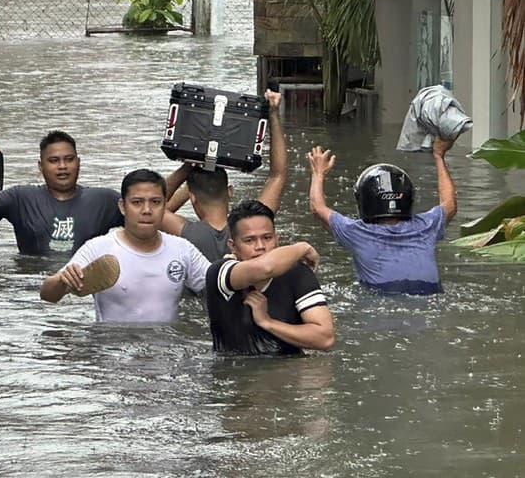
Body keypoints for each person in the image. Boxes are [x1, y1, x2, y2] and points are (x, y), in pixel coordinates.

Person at [40, 169, 210, 322]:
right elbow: (48, 295)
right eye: (137, 202)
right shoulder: (98, 248)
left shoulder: (182, 249)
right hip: (112, 351)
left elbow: (218, 285)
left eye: (155, 202)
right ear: (122, 207)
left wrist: (230, 266)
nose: (147, 210)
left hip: (166, 352)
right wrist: (61, 282)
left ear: (164, 205)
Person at [307, 138, 458, 295]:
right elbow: (450, 204)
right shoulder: (426, 227)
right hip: (429, 295)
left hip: (383, 299)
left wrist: (318, 174)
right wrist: (439, 156)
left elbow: (317, 209)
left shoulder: (357, 233)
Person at [0, 130, 122, 255]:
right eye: (54, 161)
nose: (62, 166)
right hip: (31, 289)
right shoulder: (21, 197)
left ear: (78, 163)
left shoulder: (104, 200)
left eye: (69, 160)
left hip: (83, 289)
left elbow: (143, 224)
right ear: (41, 166)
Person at [161, 89, 286, 262]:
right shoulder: (252, 228)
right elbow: (277, 175)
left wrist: (188, 167)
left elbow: (153, 205)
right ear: (230, 191)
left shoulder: (186, 233)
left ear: (192, 198)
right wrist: (273, 114)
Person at [205, 199, 334, 355]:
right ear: (233, 246)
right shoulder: (220, 272)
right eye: (249, 240)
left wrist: (268, 322)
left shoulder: (297, 274)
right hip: (236, 374)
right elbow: (265, 267)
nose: (260, 246)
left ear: (276, 239)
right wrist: (302, 247)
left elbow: (325, 338)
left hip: (290, 372)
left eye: (267, 238)